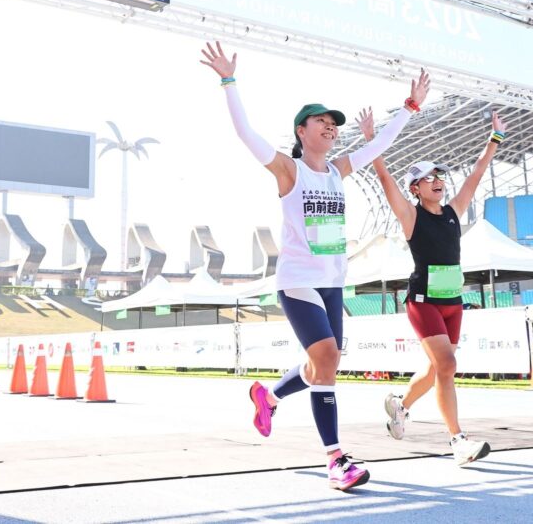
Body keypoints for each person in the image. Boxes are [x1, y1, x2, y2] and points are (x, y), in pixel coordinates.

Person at [201, 41, 429, 491]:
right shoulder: (290, 170)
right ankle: (336, 460)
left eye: (333, 124)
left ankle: (267, 395)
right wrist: (229, 81)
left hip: (332, 282)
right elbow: (246, 133)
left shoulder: (338, 170)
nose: (330, 128)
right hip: (298, 282)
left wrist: (409, 106)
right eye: (321, 122)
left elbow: (381, 142)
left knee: (321, 366)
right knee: (325, 359)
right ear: (301, 130)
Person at [361, 110, 507, 466]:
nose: (436, 180)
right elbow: (383, 178)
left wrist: (495, 139)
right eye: (427, 178)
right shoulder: (411, 216)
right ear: (415, 188)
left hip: (453, 302)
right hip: (423, 301)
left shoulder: (455, 210)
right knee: (447, 363)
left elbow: (475, 174)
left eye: (439, 175)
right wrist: (371, 142)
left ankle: (401, 405)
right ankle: (458, 441)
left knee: (438, 368)